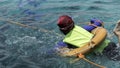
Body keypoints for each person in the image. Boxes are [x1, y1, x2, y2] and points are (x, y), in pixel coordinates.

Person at [56, 15, 120, 61]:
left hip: (104, 53)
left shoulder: (65, 42)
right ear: (73, 23)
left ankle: (117, 33)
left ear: (61, 30)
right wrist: (92, 21)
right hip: (110, 44)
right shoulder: (84, 28)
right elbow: (98, 22)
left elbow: (59, 51)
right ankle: (117, 33)